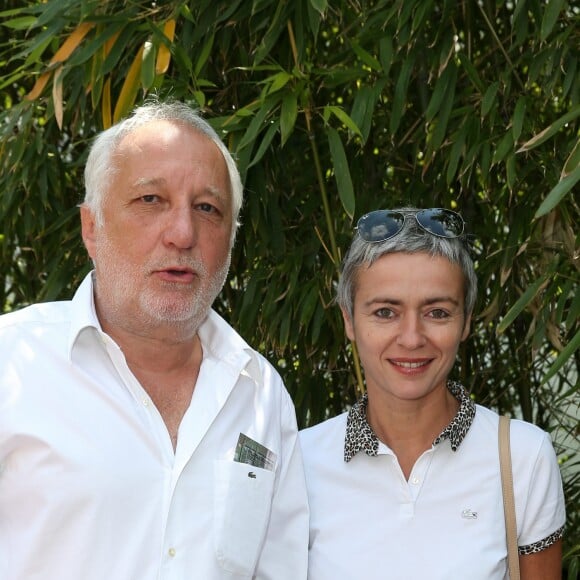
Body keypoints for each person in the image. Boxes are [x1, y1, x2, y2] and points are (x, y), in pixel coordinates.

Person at [0, 99, 308, 579]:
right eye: (151, 200)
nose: (183, 233)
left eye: (207, 208)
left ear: (231, 239)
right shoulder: (12, 364)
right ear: (91, 228)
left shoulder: (260, 395)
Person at [300, 207, 565, 580]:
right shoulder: (298, 463)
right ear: (348, 319)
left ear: (467, 320)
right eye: (385, 312)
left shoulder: (522, 458)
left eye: (437, 312)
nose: (411, 338)